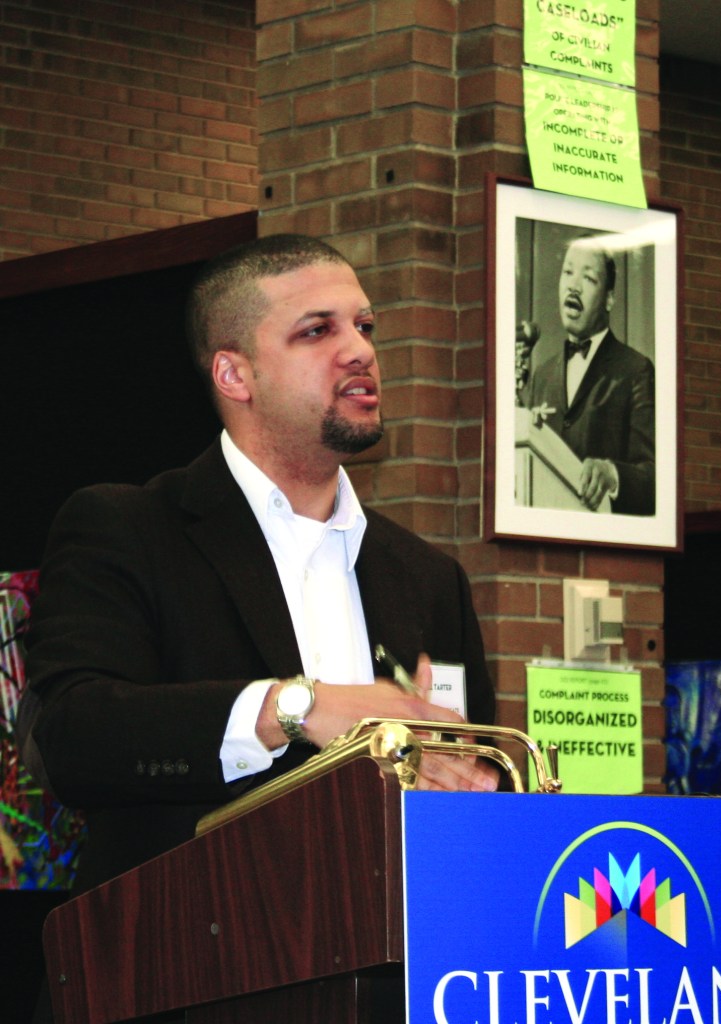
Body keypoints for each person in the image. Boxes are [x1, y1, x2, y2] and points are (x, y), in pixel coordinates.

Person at [17, 234, 498, 917]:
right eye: (316, 331)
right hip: (186, 967)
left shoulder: (427, 576)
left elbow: (474, 775)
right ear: (234, 376)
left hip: (398, 967)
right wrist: (293, 709)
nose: (359, 349)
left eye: (363, 326)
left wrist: (463, 781)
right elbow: (74, 740)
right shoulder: (127, 528)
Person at [519, 235, 655, 516]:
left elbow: (654, 479)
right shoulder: (541, 376)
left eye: (589, 278)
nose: (573, 285)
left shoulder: (635, 370)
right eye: (567, 272)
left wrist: (613, 475)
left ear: (609, 299)